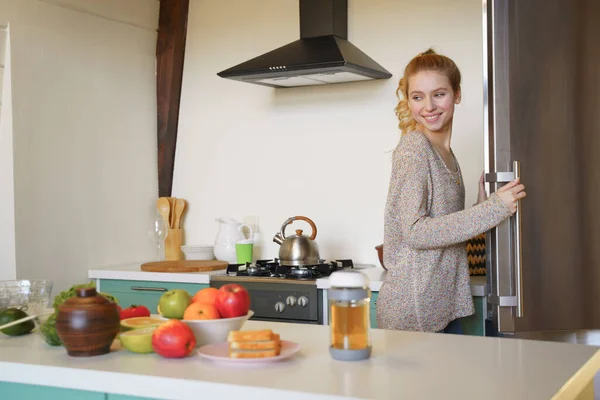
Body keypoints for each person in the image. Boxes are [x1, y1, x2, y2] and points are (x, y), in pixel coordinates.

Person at [376, 49, 526, 334]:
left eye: (439, 94)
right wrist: (492, 208)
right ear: (408, 101)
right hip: (413, 310)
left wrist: (480, 205)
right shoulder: (415, 148)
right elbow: (416, 231)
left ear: (456, 94)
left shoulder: (445, 152)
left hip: (440, 305)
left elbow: (442, 226)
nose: (429, 106)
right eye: (418, 97)